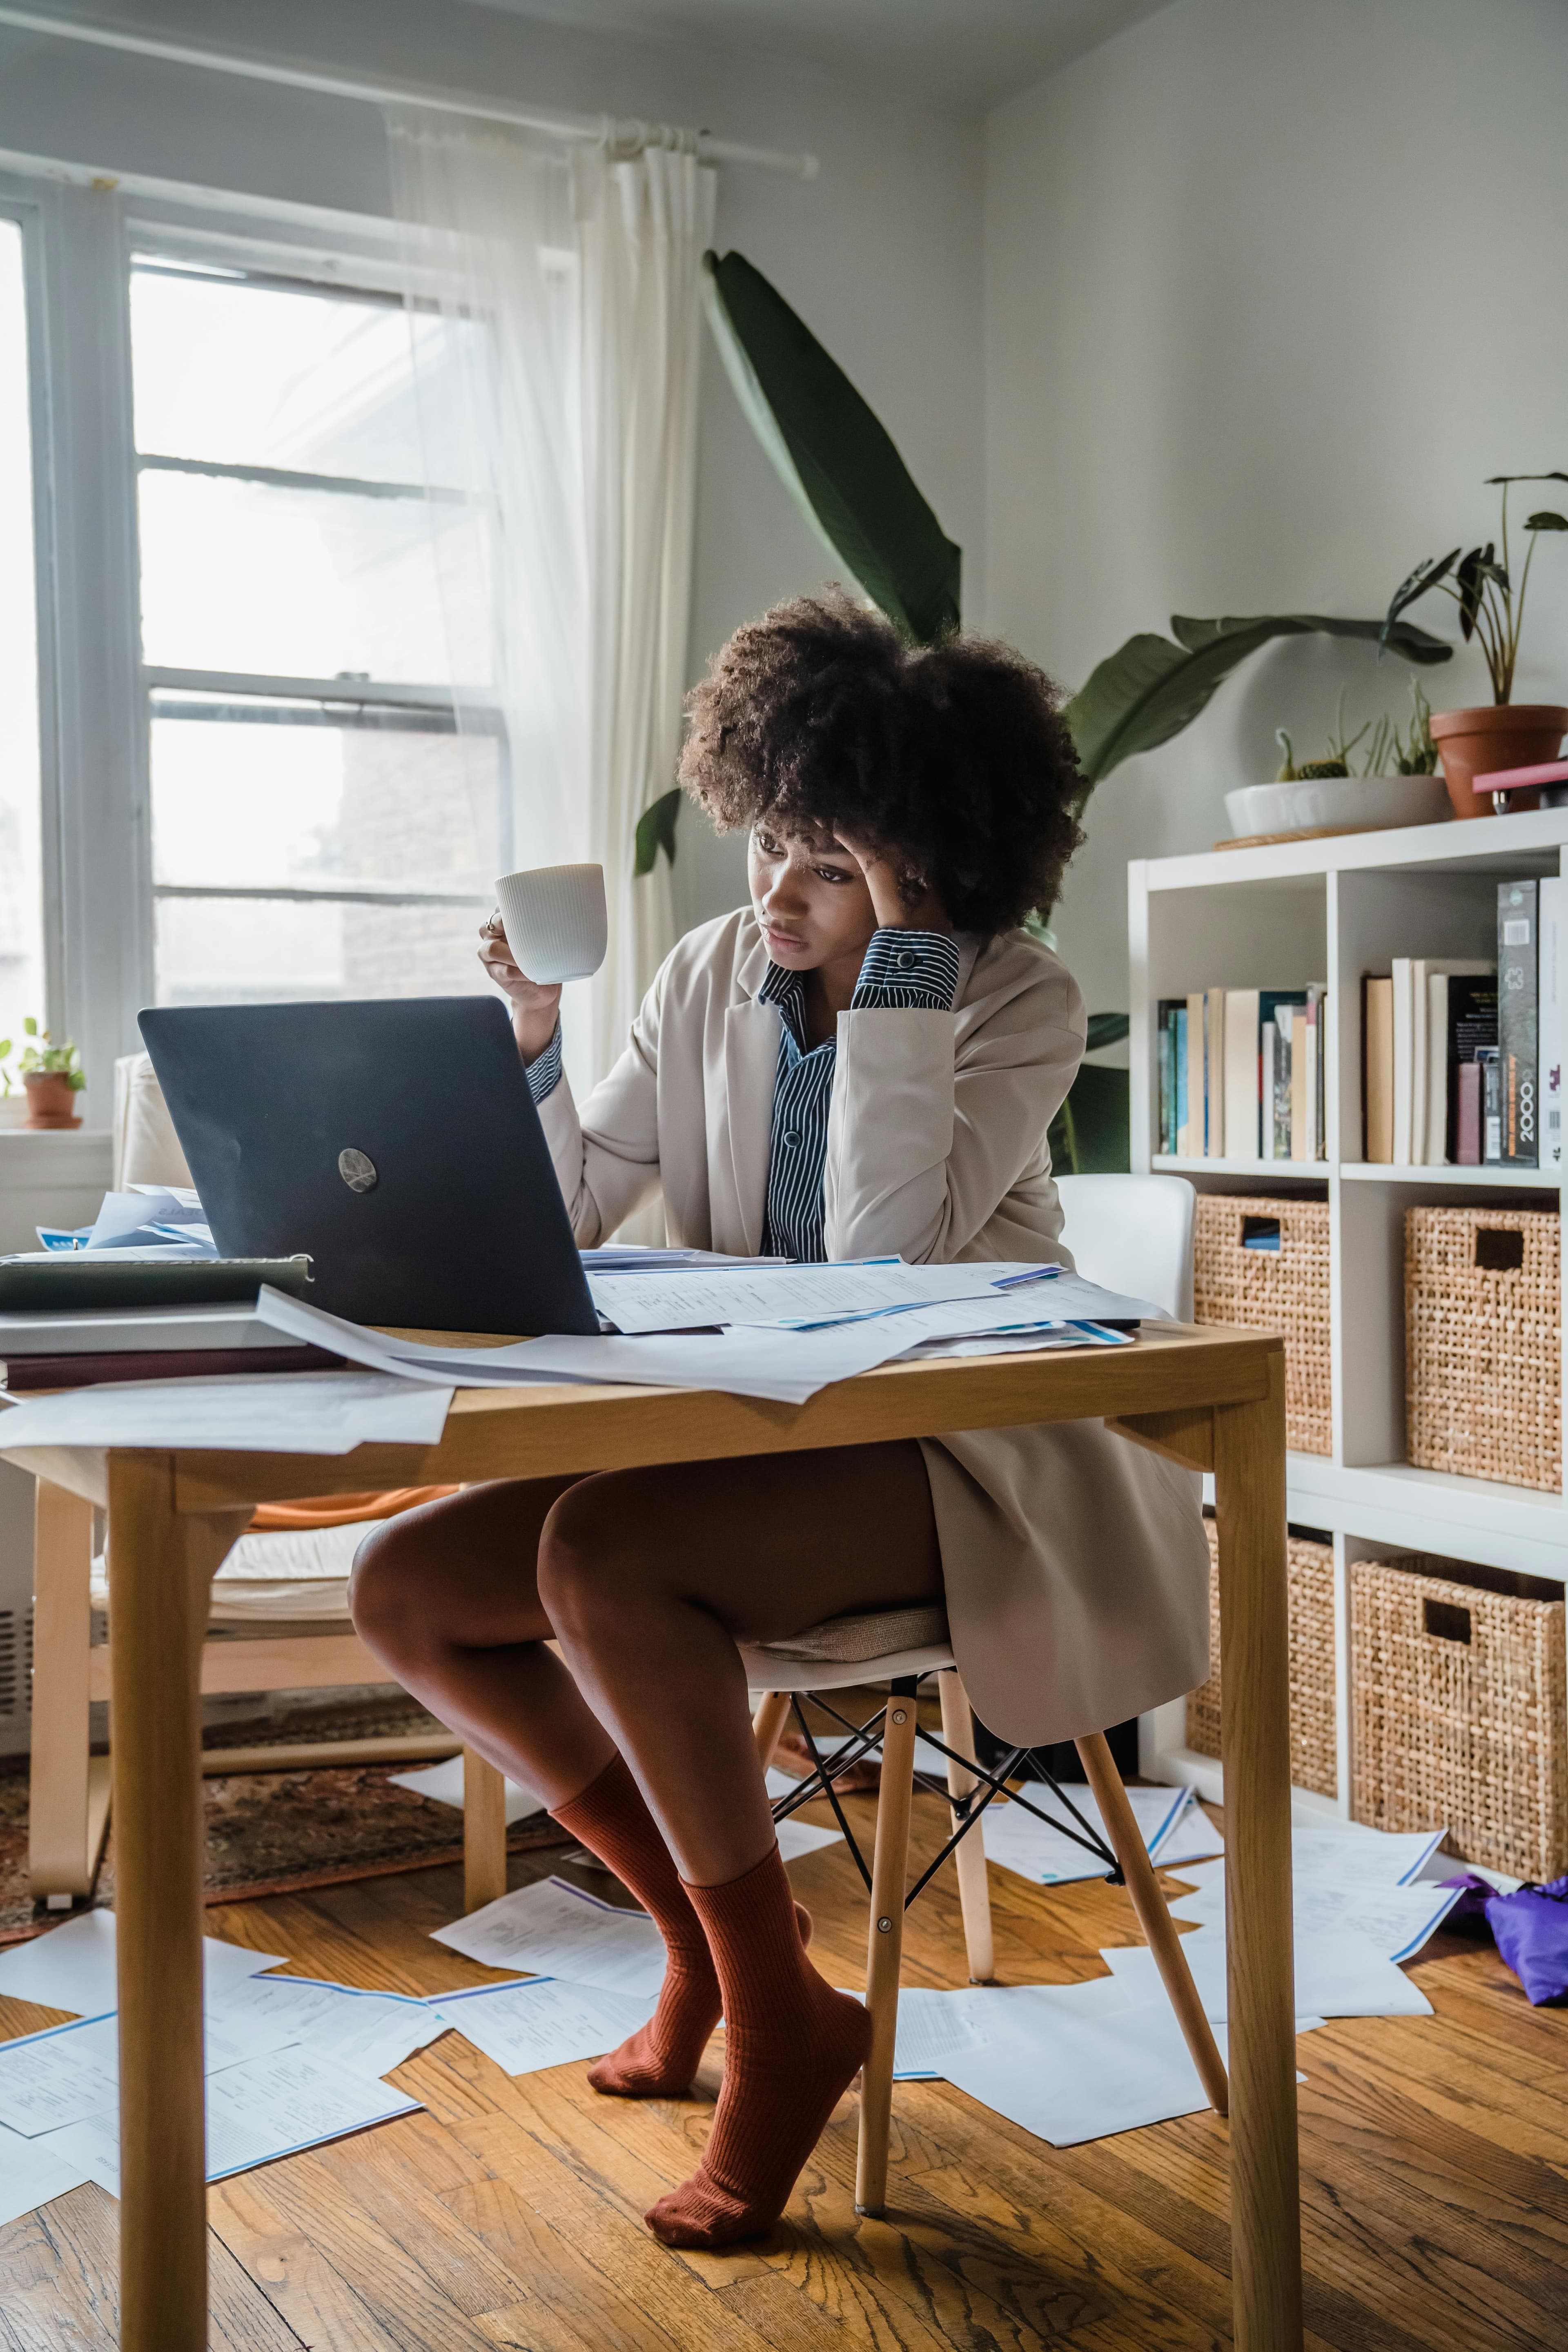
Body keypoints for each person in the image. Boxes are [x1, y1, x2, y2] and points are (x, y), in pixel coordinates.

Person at [350, 591, 1208, 2250]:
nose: (774, 893)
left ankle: (775, 2022)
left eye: (826, 862)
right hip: (755, 1445)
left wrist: (898, 972)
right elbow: (577, 1210)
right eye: (768, 848)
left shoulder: (1017, 996)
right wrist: (526, 1052)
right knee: (410, 1592)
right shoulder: (705, 972)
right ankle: (712, 1950)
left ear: (925, 857)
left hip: (969, 1466)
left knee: (604, 1556)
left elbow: (885, 1257)